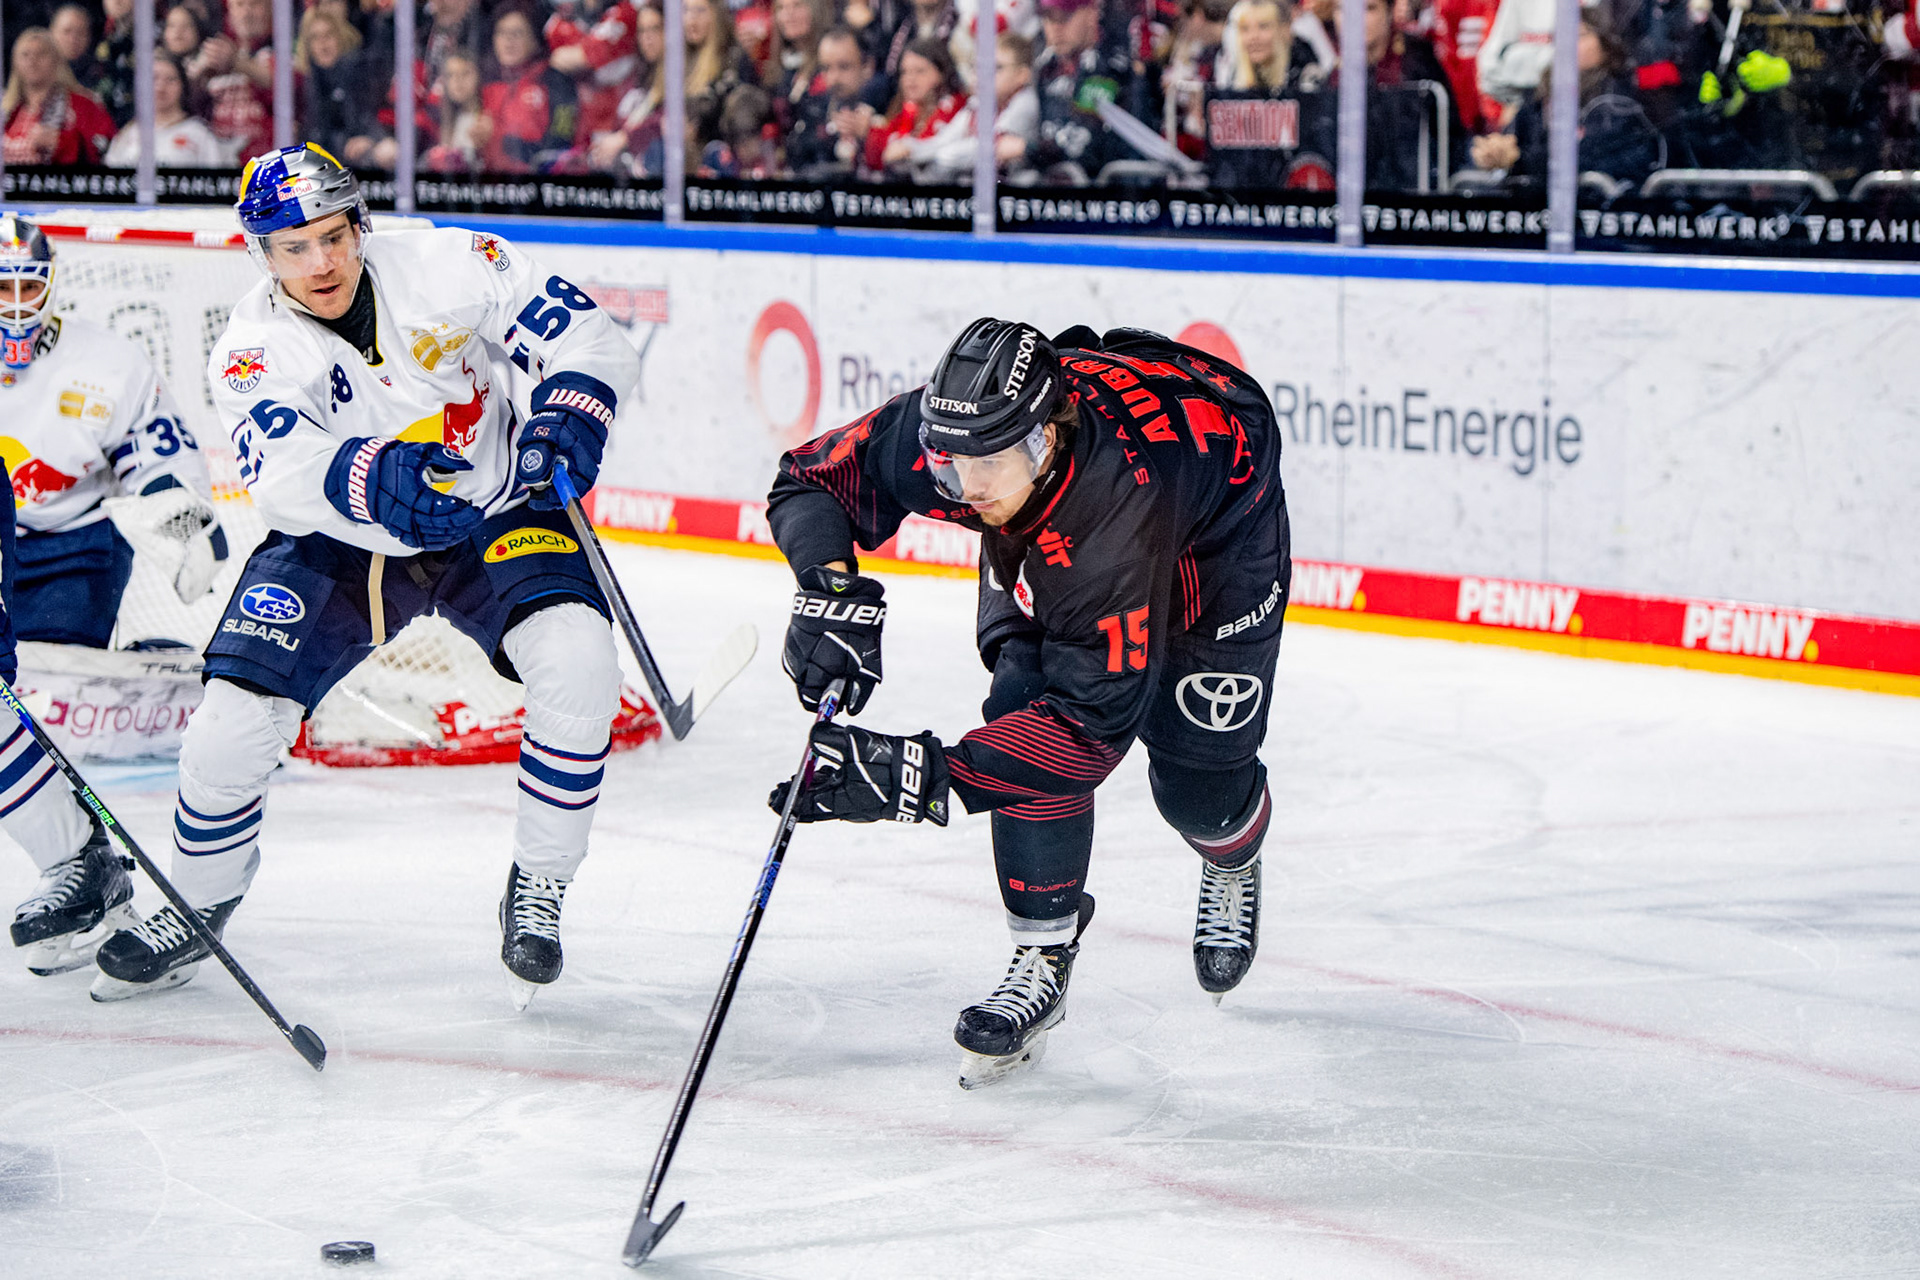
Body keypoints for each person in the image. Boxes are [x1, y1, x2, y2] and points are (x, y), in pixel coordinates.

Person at [87, 146, 640, 1007]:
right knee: (227, 730)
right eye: (294, 247)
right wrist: (376, 483)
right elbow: (282, 473)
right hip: (339, 541)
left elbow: (585, 332)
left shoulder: (455, 262)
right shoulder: (248, 349)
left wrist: (571, 406)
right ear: (261, 255)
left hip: (493, 511)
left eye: (334, 236)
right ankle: (197, 900)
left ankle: (538, 887)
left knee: (580, 661)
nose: (322, 262)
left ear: (360, 226)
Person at [765, 319, 1289, 1086]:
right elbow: (810, 480)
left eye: (989, 466)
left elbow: (1086, 730)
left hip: (1218, 536)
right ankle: (1043, 951)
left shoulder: (1111, 509)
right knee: (1021, 702)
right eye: (951, 464)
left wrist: (916, 777)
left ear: (1047, 441)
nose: (967, 491)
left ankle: (1232, 854)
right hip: (1067, 521)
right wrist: (828, 588)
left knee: (1196, 789)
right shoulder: (960, 436)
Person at [0, 215, 225, 978]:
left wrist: (186, 529)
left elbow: (155, 453)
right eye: (2, 285)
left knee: (41, 695)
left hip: (75, 545)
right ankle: (78, 865)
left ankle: (83, 867)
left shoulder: (107, 361)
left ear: (53, 285)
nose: (16, 302)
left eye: (28, 284)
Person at [901, 29, 1038, 181]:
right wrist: (909, 148)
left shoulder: (1024, 104)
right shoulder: (978, 104)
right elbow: (944, 140)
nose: (981, 76)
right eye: (977, 67)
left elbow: (978, 151)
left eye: (995, 68)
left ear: (1022, 75)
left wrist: (923, 153)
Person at [480, 7, 581, 172]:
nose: (508, 41)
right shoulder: (486, 82)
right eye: (501, 32)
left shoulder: (555, 80)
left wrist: (501, 138)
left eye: (517, 33)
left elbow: (561, 141)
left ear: (534, 40)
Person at [2, 27, 115, 166]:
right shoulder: (6, 109)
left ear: (56, 60)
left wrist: (62, 143)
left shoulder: (83, 106)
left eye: (41, 53)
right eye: (25, 54)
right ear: (15, 62)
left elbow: (105, 148)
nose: (32, 60)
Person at [784, 24, 889, 173]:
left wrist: (870, 136)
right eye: (826, 68)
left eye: (844, 67)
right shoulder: (812, 111)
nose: (834, 78)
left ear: (867, 66)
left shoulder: (890, 108)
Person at [104, 51, 226, 166]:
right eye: (154, 78)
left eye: (170, 79)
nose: (161, 87)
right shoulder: (128, 133)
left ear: (182, 86)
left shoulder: (199, 134)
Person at [864, 37, 967, 174]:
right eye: (905, 72)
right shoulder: (907, 111)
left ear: (942, 73)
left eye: (920, 71)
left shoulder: (958, 108)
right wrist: (866, 133)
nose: (910, 79)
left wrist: (908, 149)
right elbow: (879, 159)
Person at [422, 48, 489, 171]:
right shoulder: (437, 121)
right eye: (451, 75)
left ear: (479, 76)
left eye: (465, 73)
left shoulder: (488, 118)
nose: (458, 81)